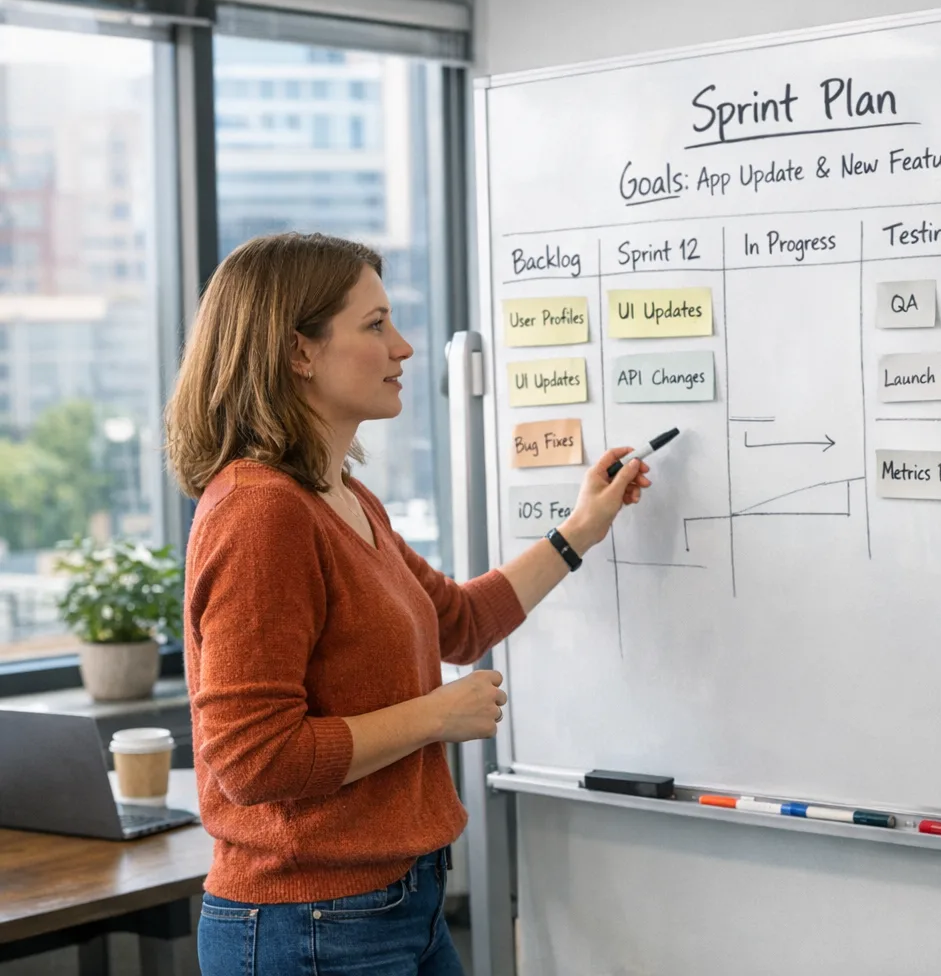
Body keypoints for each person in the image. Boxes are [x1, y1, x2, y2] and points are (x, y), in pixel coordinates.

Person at [164, 233, 650, 976]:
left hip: (397, 905)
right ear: (299, 352)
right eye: (375, 325)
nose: (404, 347)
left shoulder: (343, 497)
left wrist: (582, 527)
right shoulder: (260, 514)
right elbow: (254, 761)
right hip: (310, 924)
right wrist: (435, 716)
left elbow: (461, 621)